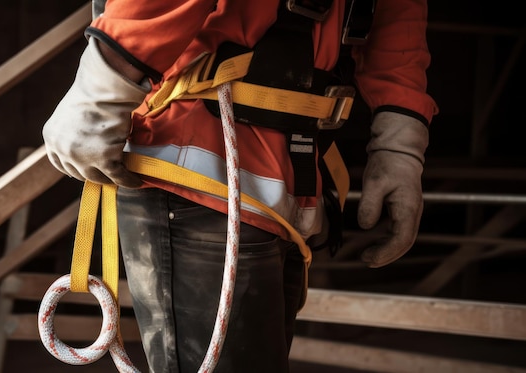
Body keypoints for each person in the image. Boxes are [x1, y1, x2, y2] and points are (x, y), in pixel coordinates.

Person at [42, 0, 438, 371]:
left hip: (286, 177)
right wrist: (103, 84)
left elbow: (398, 12)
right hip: (197, 165)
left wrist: (400, 143)